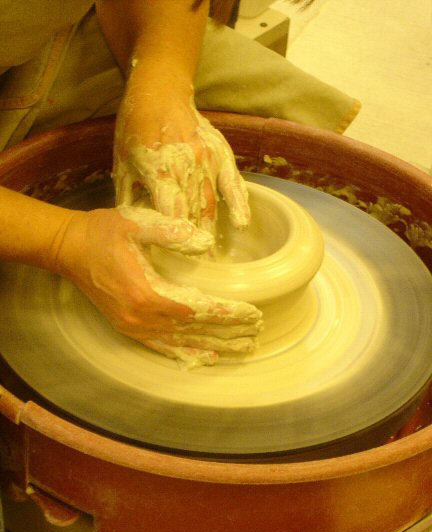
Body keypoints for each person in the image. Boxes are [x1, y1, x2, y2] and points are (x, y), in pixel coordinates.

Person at [0, 0, 360, 366]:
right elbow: (64, 238)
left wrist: (161, 84)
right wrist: (65, 239)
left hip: (51, 29)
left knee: (277, 98)